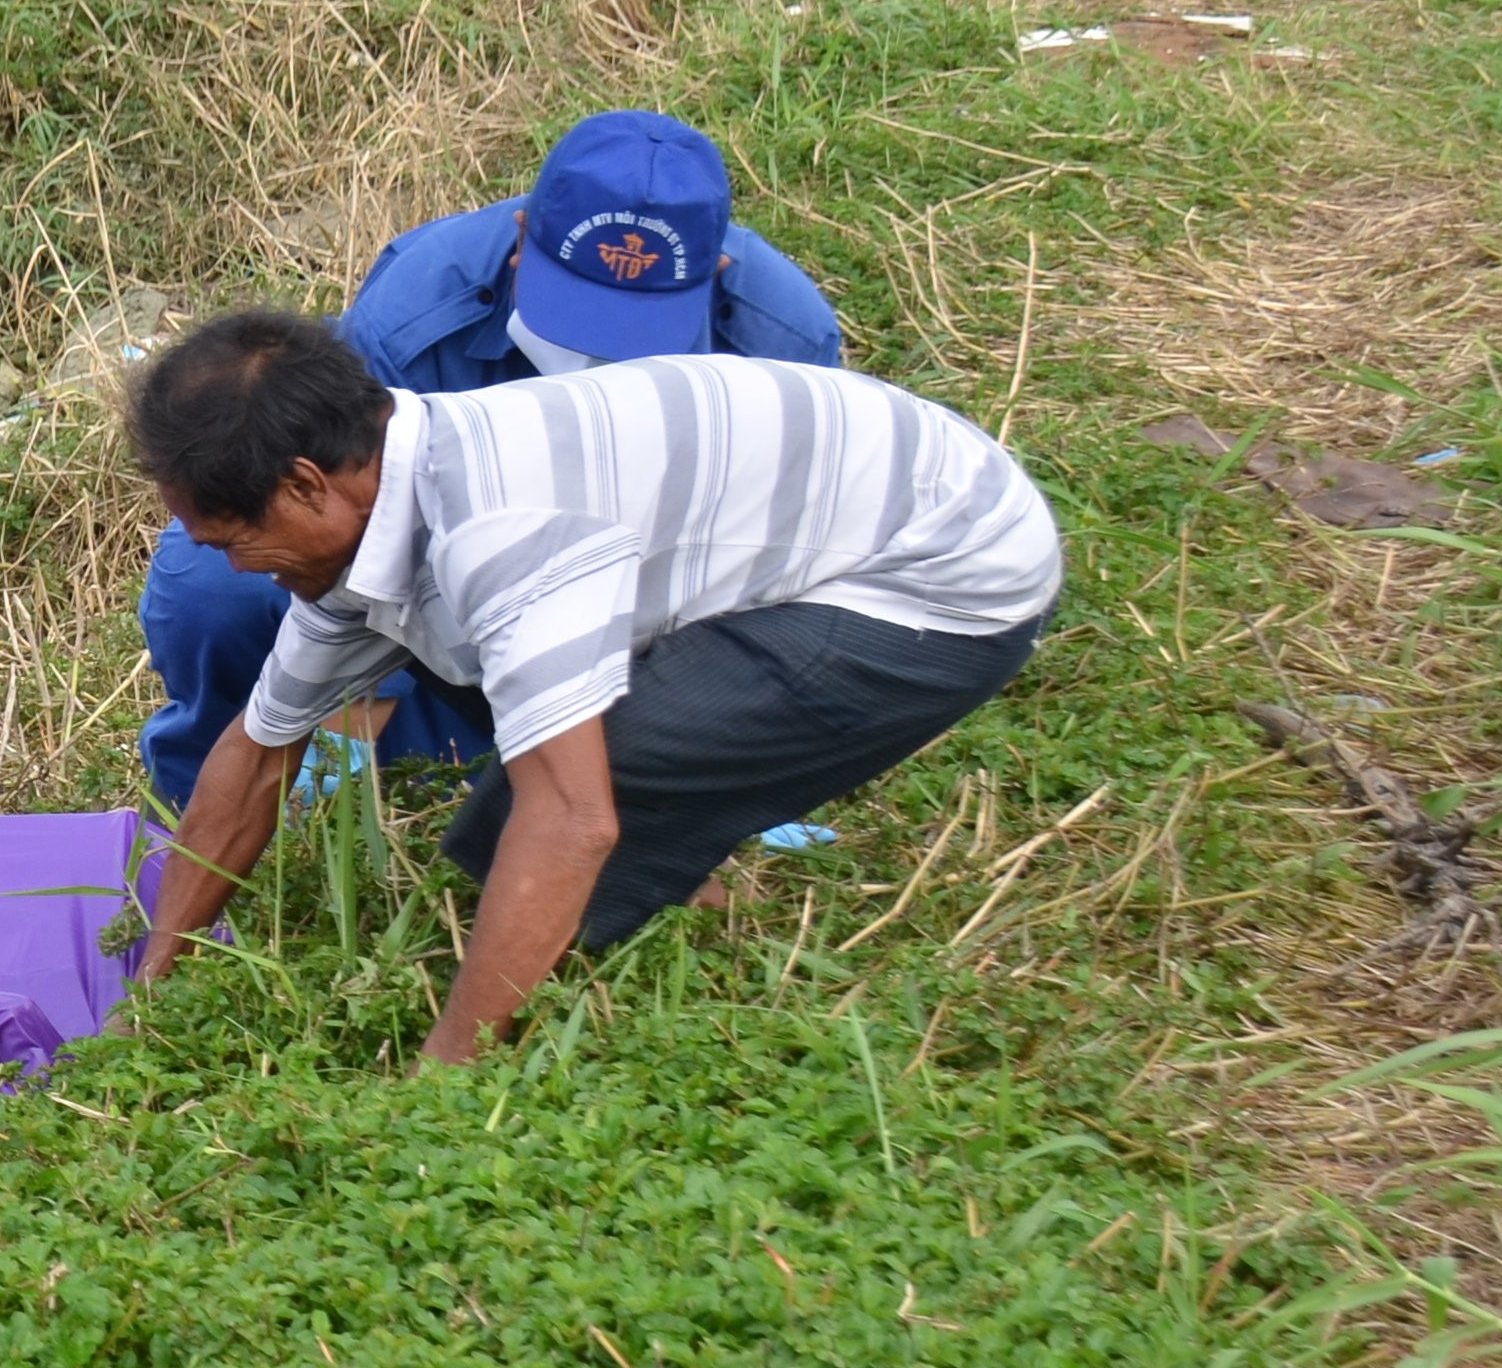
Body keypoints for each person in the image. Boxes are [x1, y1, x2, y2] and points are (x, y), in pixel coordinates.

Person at [134, 311, 1061, 1064]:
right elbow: (259, 751)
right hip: (812, 539)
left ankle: (625, 947)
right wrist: (154, 981)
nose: (242, 570)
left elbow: (576, 820)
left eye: (231, 543)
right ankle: (656, 900)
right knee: (504, 730)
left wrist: (441, 1075)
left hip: (944, 575)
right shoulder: (377, 502)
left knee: (570, 798)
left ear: (304, 485)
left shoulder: (498, 528)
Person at [137, 111, 842, 811]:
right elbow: (361, 527)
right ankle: (216, 787)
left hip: (642, 576)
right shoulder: (413, 317)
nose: (600, 362)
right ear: (523, 240)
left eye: (638, 328)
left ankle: (514, 764)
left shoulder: (782, 346)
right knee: (211, 584)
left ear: (715, 273)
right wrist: (364, 694)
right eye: (583, 317)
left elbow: (770, 561)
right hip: (441, 561)